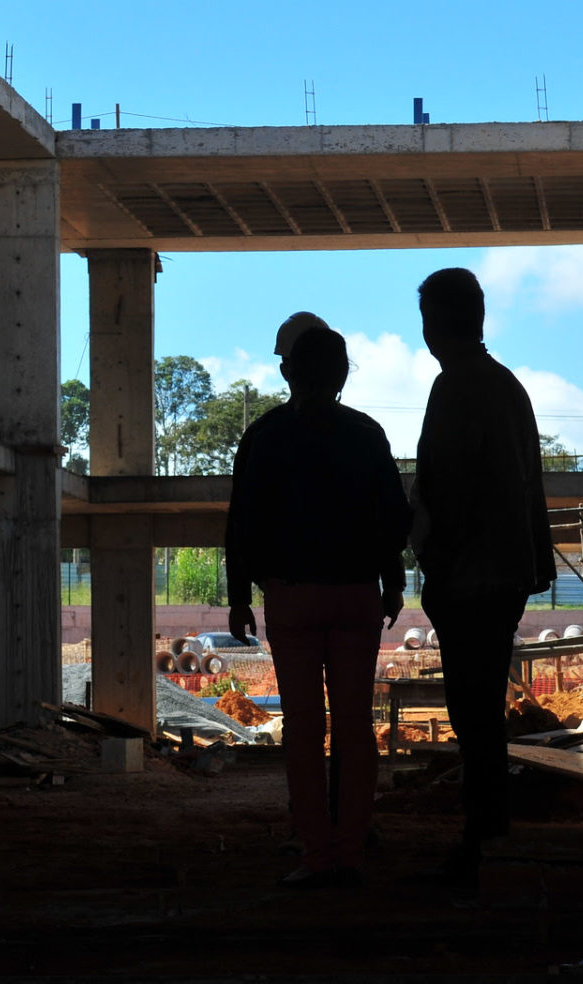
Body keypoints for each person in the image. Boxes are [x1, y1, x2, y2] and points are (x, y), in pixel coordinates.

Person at [226, 326, 410, 890]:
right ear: (342, 374)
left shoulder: (265, 435)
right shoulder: (366, 433)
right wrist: (393, 583)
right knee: (355, 727)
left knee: (304, 729)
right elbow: (394, 521)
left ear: (287, 372)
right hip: (357, 596)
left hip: (291, 598)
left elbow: (242, 526)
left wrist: (238, 599)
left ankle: (316, 852)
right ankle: (351, 850)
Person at [409, 267, 554, 888]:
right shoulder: (507, 387)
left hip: (470, 577)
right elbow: (527, 491)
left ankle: (484, 837)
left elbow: (446, 491)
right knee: (482, 708)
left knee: (472, 713)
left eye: (426, 320)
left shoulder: (455, 388)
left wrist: (432, 561)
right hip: (503, 575)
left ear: (439, 323)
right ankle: (488, 832)